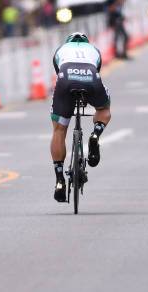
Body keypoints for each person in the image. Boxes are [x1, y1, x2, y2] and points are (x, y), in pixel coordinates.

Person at [50, 32, 112, 202]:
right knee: (104, 109)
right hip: (90, 76)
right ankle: (95, 135)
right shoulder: (94, 50)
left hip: (65, 79)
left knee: (59, 130)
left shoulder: (61, 49)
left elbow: (58, 72)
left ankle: (59, 180)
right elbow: (97, 69)